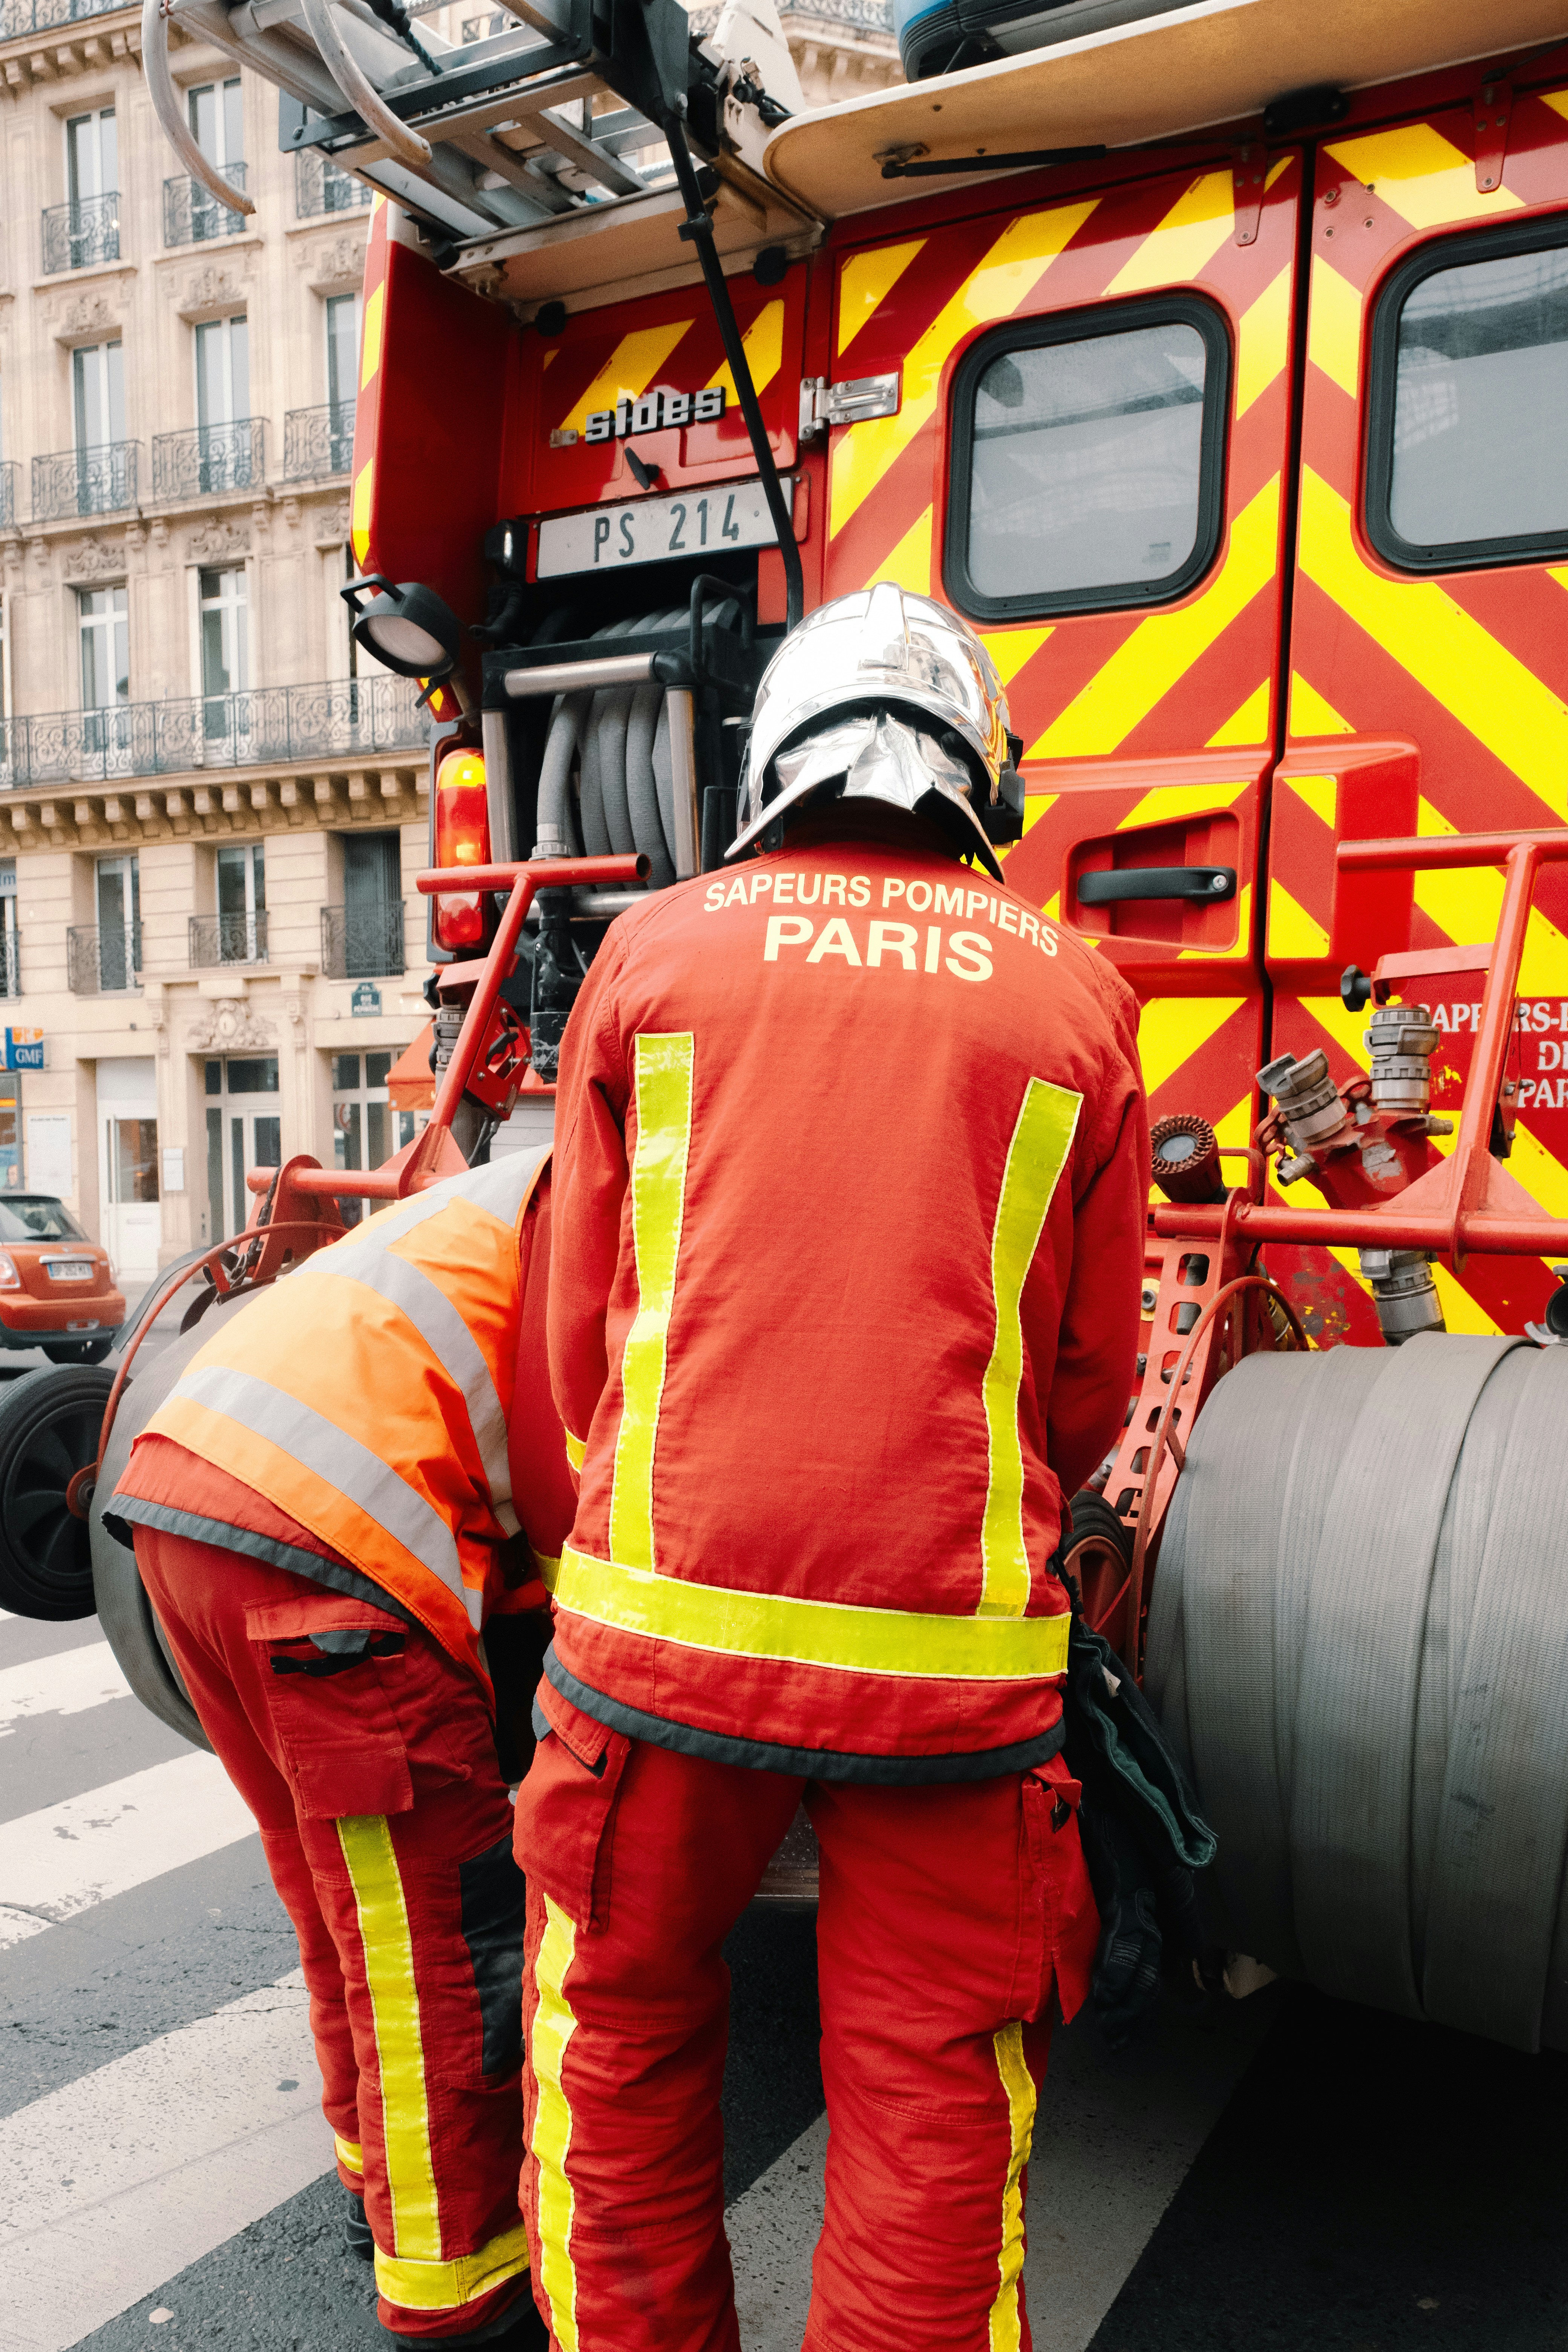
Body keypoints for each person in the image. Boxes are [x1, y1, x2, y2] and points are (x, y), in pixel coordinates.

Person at [518, 583, 1150, 2352]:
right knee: (936, 2095)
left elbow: (580, 1334)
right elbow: (1088, 1382)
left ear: (772, 759)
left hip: (657, 1646)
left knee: (624, 2045)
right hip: (951, 1679)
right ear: (977, 775)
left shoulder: (655, 954)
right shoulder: (1072, 998)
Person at [107, 1150, 574, 2349]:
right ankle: (457, 2282)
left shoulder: (508, 1198)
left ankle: (376, 2178)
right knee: (441, 1945)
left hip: (181, 1502)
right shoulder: (611, 1218)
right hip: (334, 1559)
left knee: (339, 1899)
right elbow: (574, 1485)